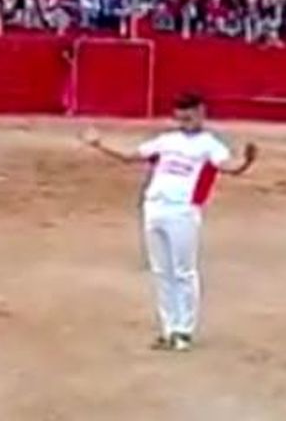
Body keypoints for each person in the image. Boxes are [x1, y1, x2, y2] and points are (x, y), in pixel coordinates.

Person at [81, 93, 257, 352]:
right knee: (161, 272)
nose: (185, 121)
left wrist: (247, 162)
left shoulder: (210, 145)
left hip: (182, 210)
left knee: (184, 271)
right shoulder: (166, 141)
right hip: (154, 207)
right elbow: (131, 155)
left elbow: (229, 167)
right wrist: (99, 145)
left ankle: (183, 330)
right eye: (182, 116)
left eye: (190, 116)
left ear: (201, 113)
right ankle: (168, 329)